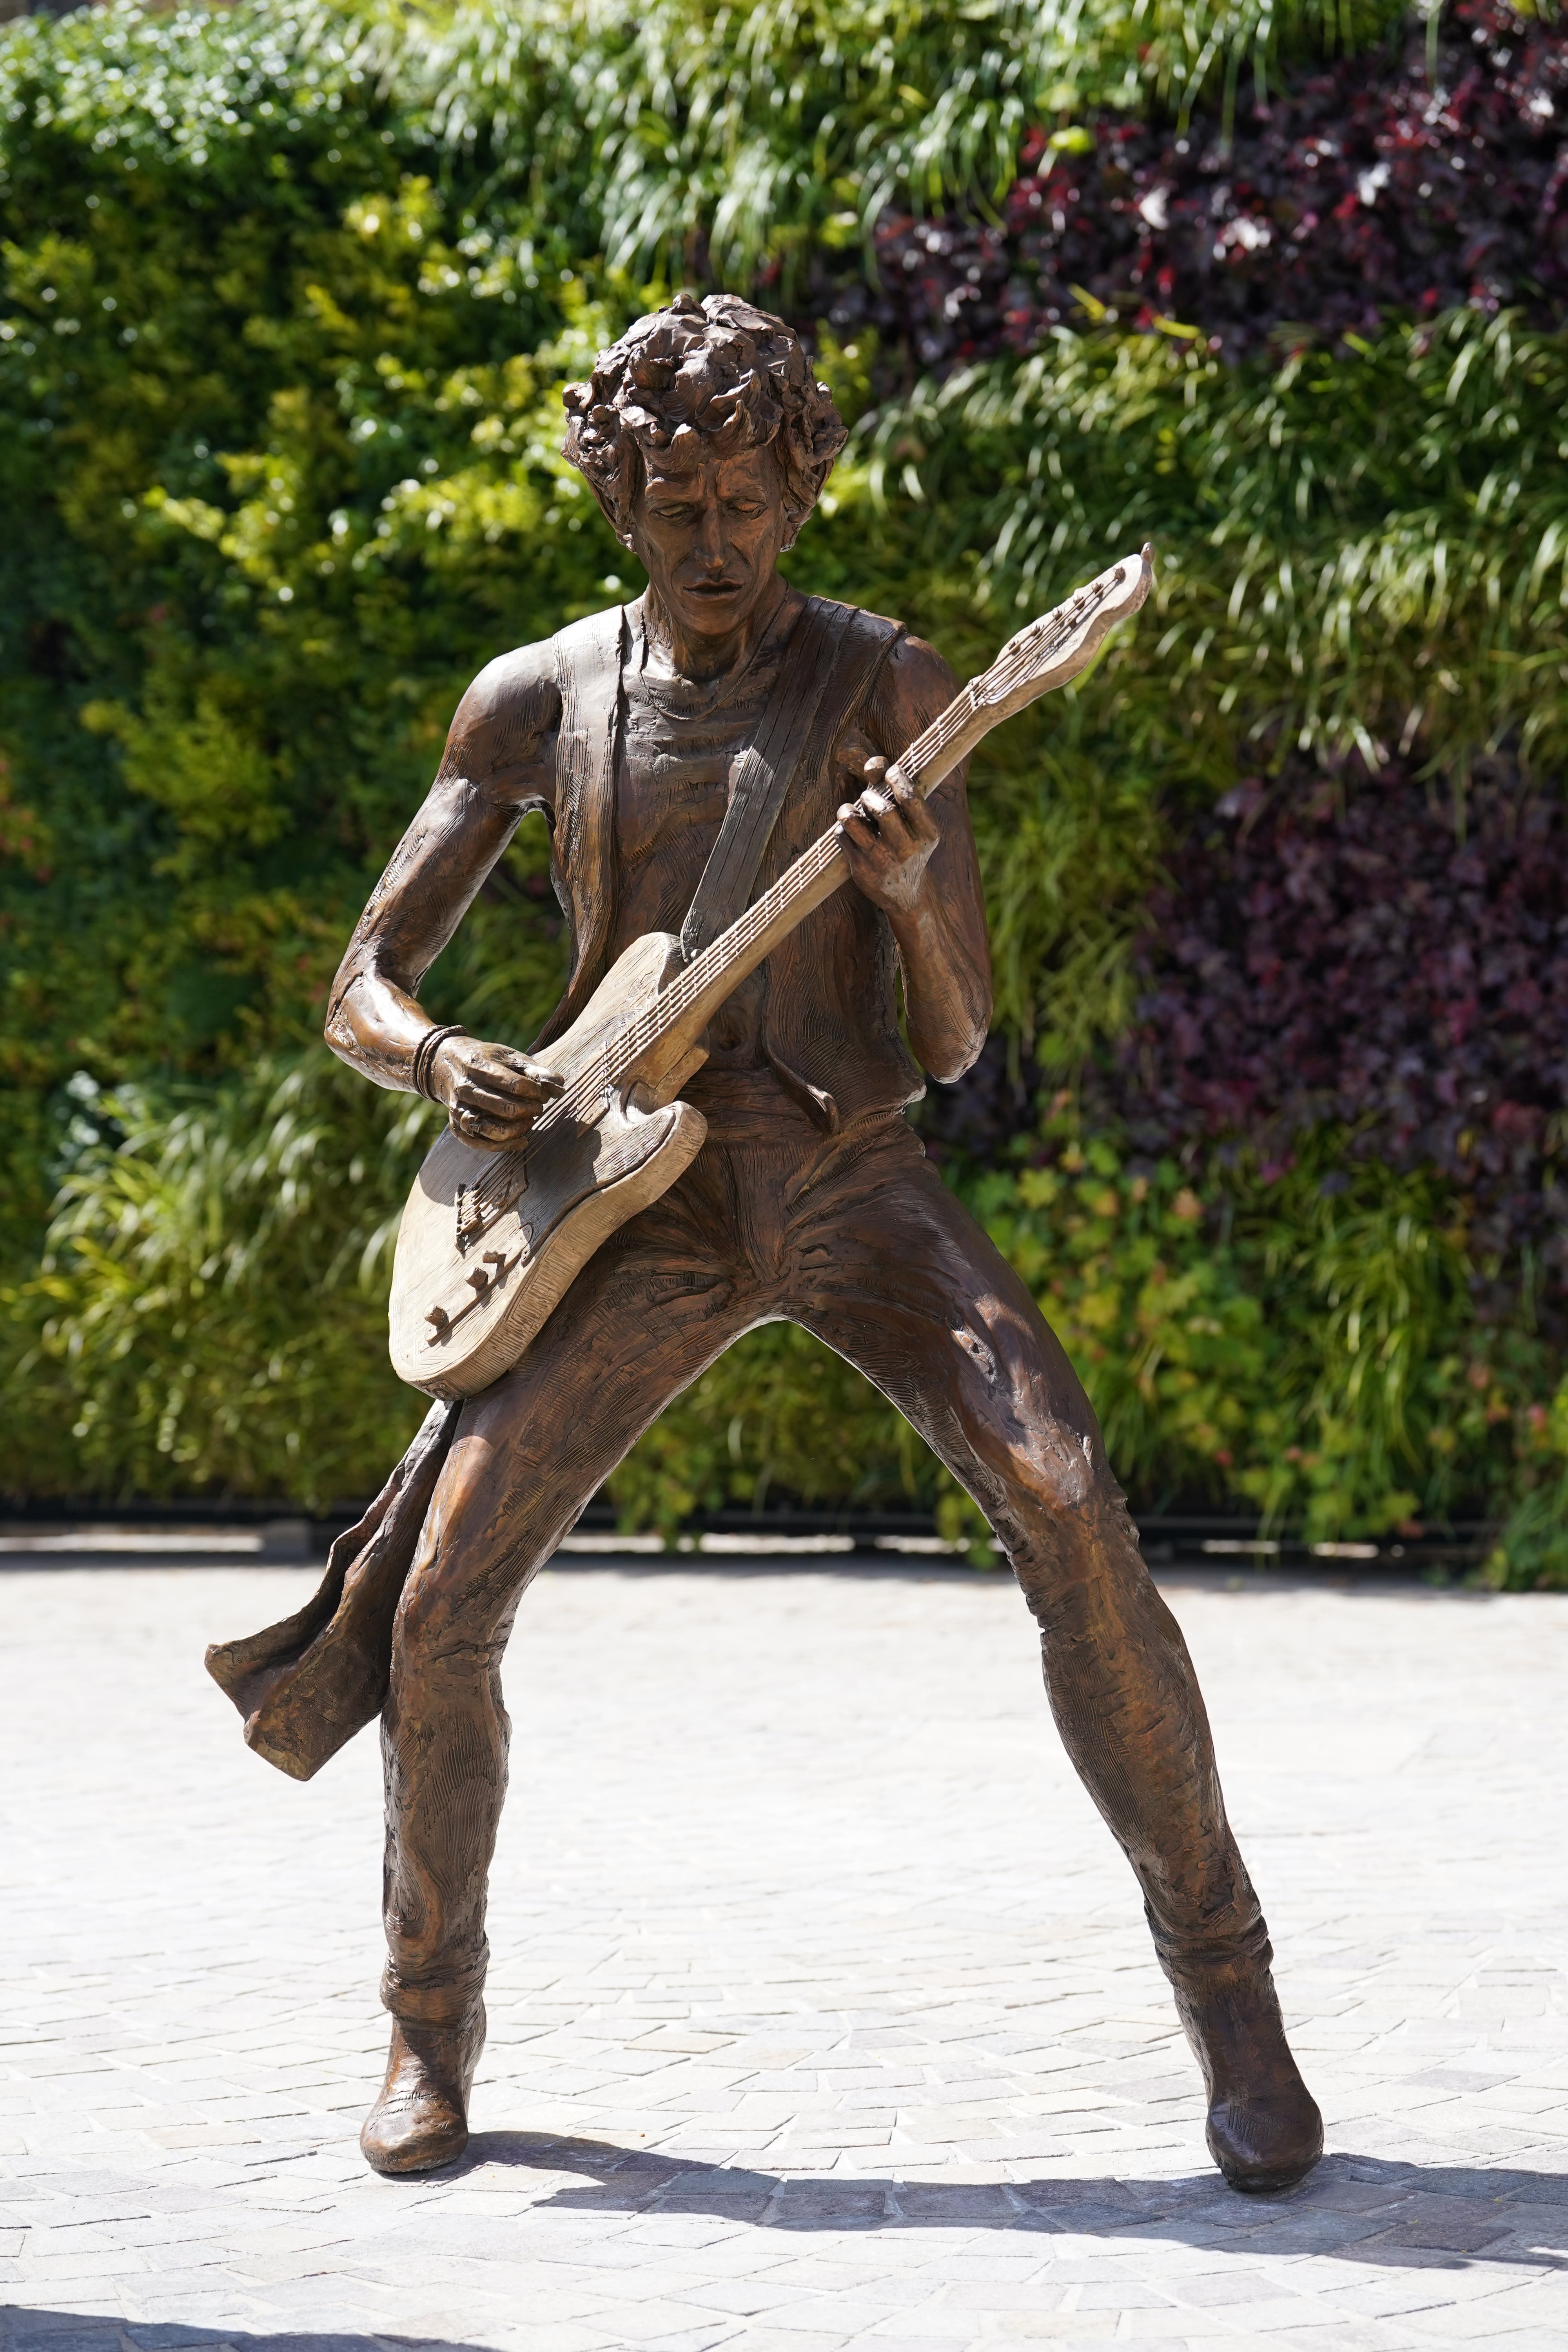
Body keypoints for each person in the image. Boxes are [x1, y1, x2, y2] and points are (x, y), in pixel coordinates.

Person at [258, 293, 1325, 2191]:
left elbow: (960, 1037)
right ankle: (430, 2027)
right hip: (620, 1195)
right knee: (433, 1603)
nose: (716, 539)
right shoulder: (537, 700)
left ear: (801, 487)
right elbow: (362, 980)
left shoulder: (889, 684)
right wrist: (443, 1063)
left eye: (747, 500)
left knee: (1068, 1501)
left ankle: (1229, 1995)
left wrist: (910, 899)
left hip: (847, 1171)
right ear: (619, 492)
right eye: (676, 504)